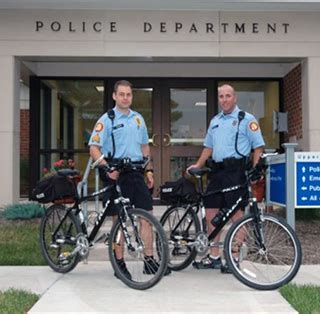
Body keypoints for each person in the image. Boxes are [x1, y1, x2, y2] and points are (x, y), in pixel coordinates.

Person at [88, 80, 170, 280]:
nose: (126, 97)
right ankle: (119, 262)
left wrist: (149, 170)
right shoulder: (106, 120)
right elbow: (93, 148)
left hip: (135, 172)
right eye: (122, 94)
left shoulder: (138, 119)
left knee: (146, 216)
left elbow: (144, 148)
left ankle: (149, 261)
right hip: (114, 172)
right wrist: (107, 167)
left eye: (129, 94)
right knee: (120, 219)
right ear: (115, 96)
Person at [186, 84, 265, 273]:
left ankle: (233, 257)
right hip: (217, 173)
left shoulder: (246, 119)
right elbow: (208, 147)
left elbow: (258, 147)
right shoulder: (215, 121)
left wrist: (254, 170)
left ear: (235, 98)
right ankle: (213, 256)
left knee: (237, 216)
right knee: (211, 214)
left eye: (228, 96)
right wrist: (198, 164)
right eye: (221, 96)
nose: (224, 99)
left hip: (236, 173)